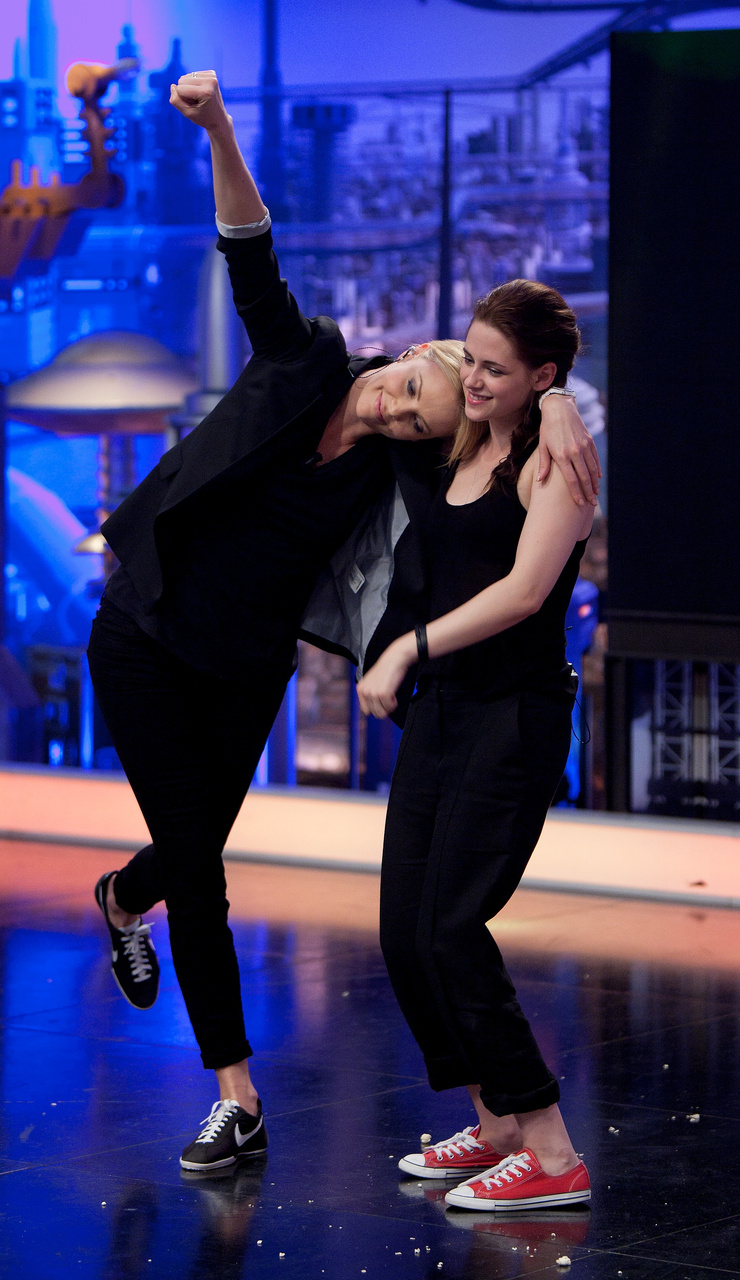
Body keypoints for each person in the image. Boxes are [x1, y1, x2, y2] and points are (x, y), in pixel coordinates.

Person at [88, 71, 600, 1175]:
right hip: (144, 631)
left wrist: (559, 397)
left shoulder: (400, 467)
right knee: (203, 869)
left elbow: (500, 427)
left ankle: (125, 898)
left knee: (191, 853)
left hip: (243, 666)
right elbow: (249, 247)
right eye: (408, 386)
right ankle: (236, 1097)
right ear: (400, 355)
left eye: (417, 416)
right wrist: (220, 129)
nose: (396, 408)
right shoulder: (306, 359)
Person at [357, 279, 595, 1212]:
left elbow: (525, 594)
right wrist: (421, 365)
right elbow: (373, 387)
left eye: (501, 369)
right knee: (404, 932)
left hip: (514, 716)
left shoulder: (556, 462)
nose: (479, 381)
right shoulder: (456, 442)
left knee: (453, 927)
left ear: (543, 375)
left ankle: (552, 1150)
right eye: (473, 360)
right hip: (444, 710)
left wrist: (407, 649)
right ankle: (494, 1123)